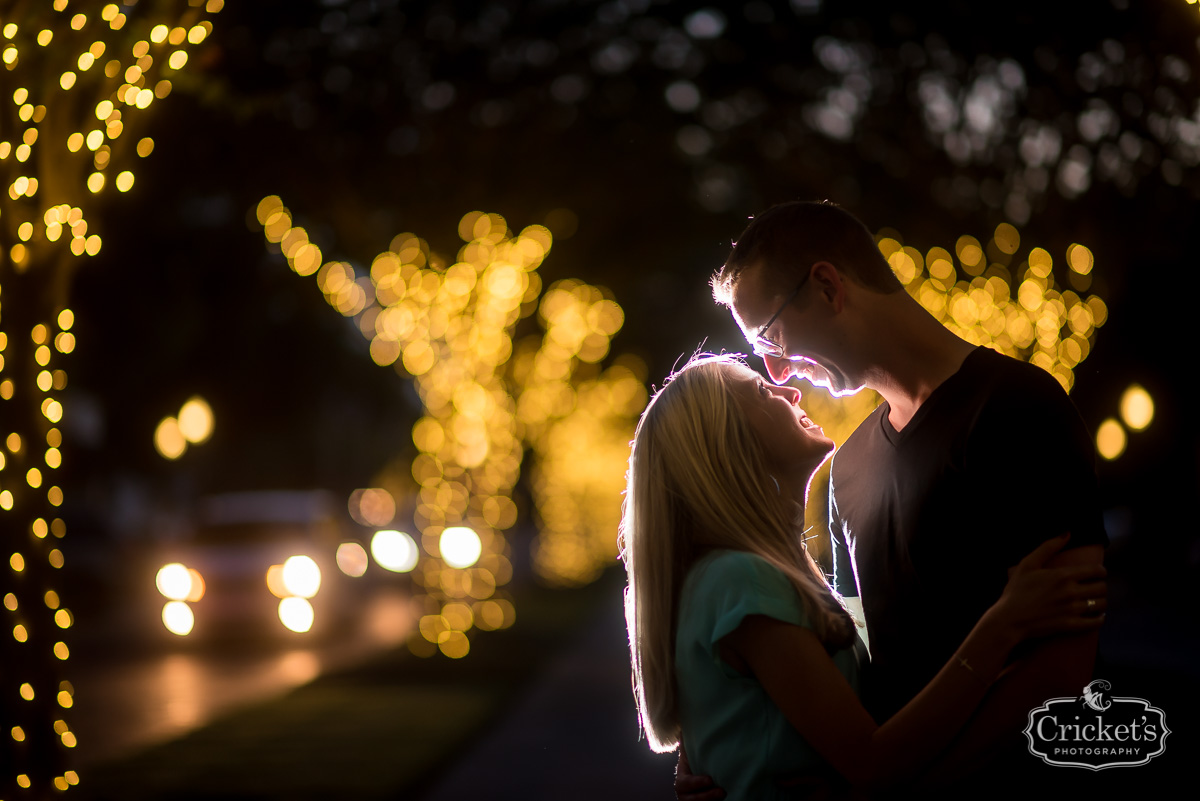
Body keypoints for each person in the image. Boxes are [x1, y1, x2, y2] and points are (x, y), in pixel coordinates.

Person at [700, 200, 1107, 791]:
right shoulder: (848, 465)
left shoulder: (1019, 409)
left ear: (826, 287)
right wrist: (734, 761)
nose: (778, 371)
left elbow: (1062, 669)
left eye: (771, 336)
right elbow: (856, 669)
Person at [620, 354, 1106, 798]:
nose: (788, 388)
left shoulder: (744, 577)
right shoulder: (741, 580)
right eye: (763, 392)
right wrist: (1005, 624)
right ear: (727, 443)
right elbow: (872, 763)